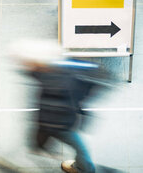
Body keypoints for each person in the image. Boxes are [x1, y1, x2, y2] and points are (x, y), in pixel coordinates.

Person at [8, 39, 101, 173]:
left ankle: (85, 169)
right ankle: (83, 168)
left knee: (80, 148)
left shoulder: (49, 78)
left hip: (58, 125)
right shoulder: (61, 73)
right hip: (62, 123)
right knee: (81, 148)